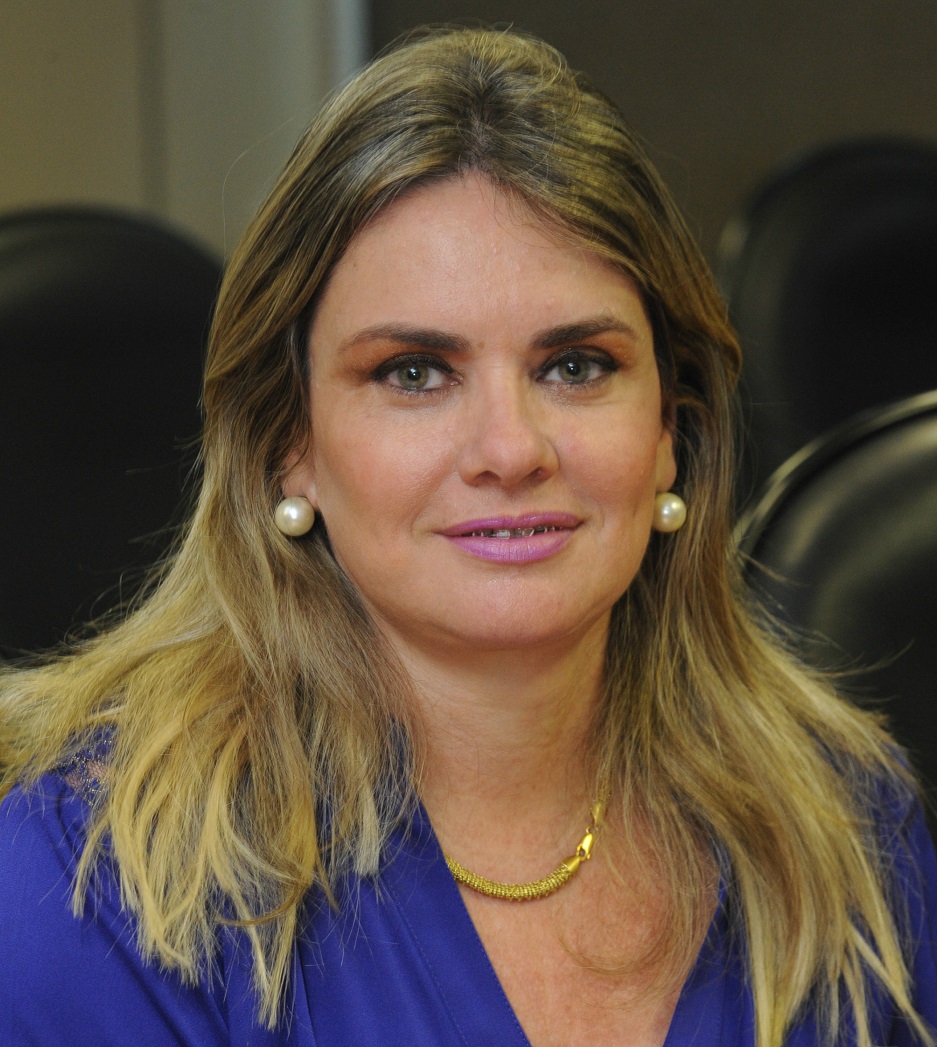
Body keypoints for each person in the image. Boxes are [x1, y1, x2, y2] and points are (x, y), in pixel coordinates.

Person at [0, 25, 934, 1047]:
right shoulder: (86, 884)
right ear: (286, 443)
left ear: (671, 428)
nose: (510, 449)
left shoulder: (839, 821)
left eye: (575, 366)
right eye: (414, 373)